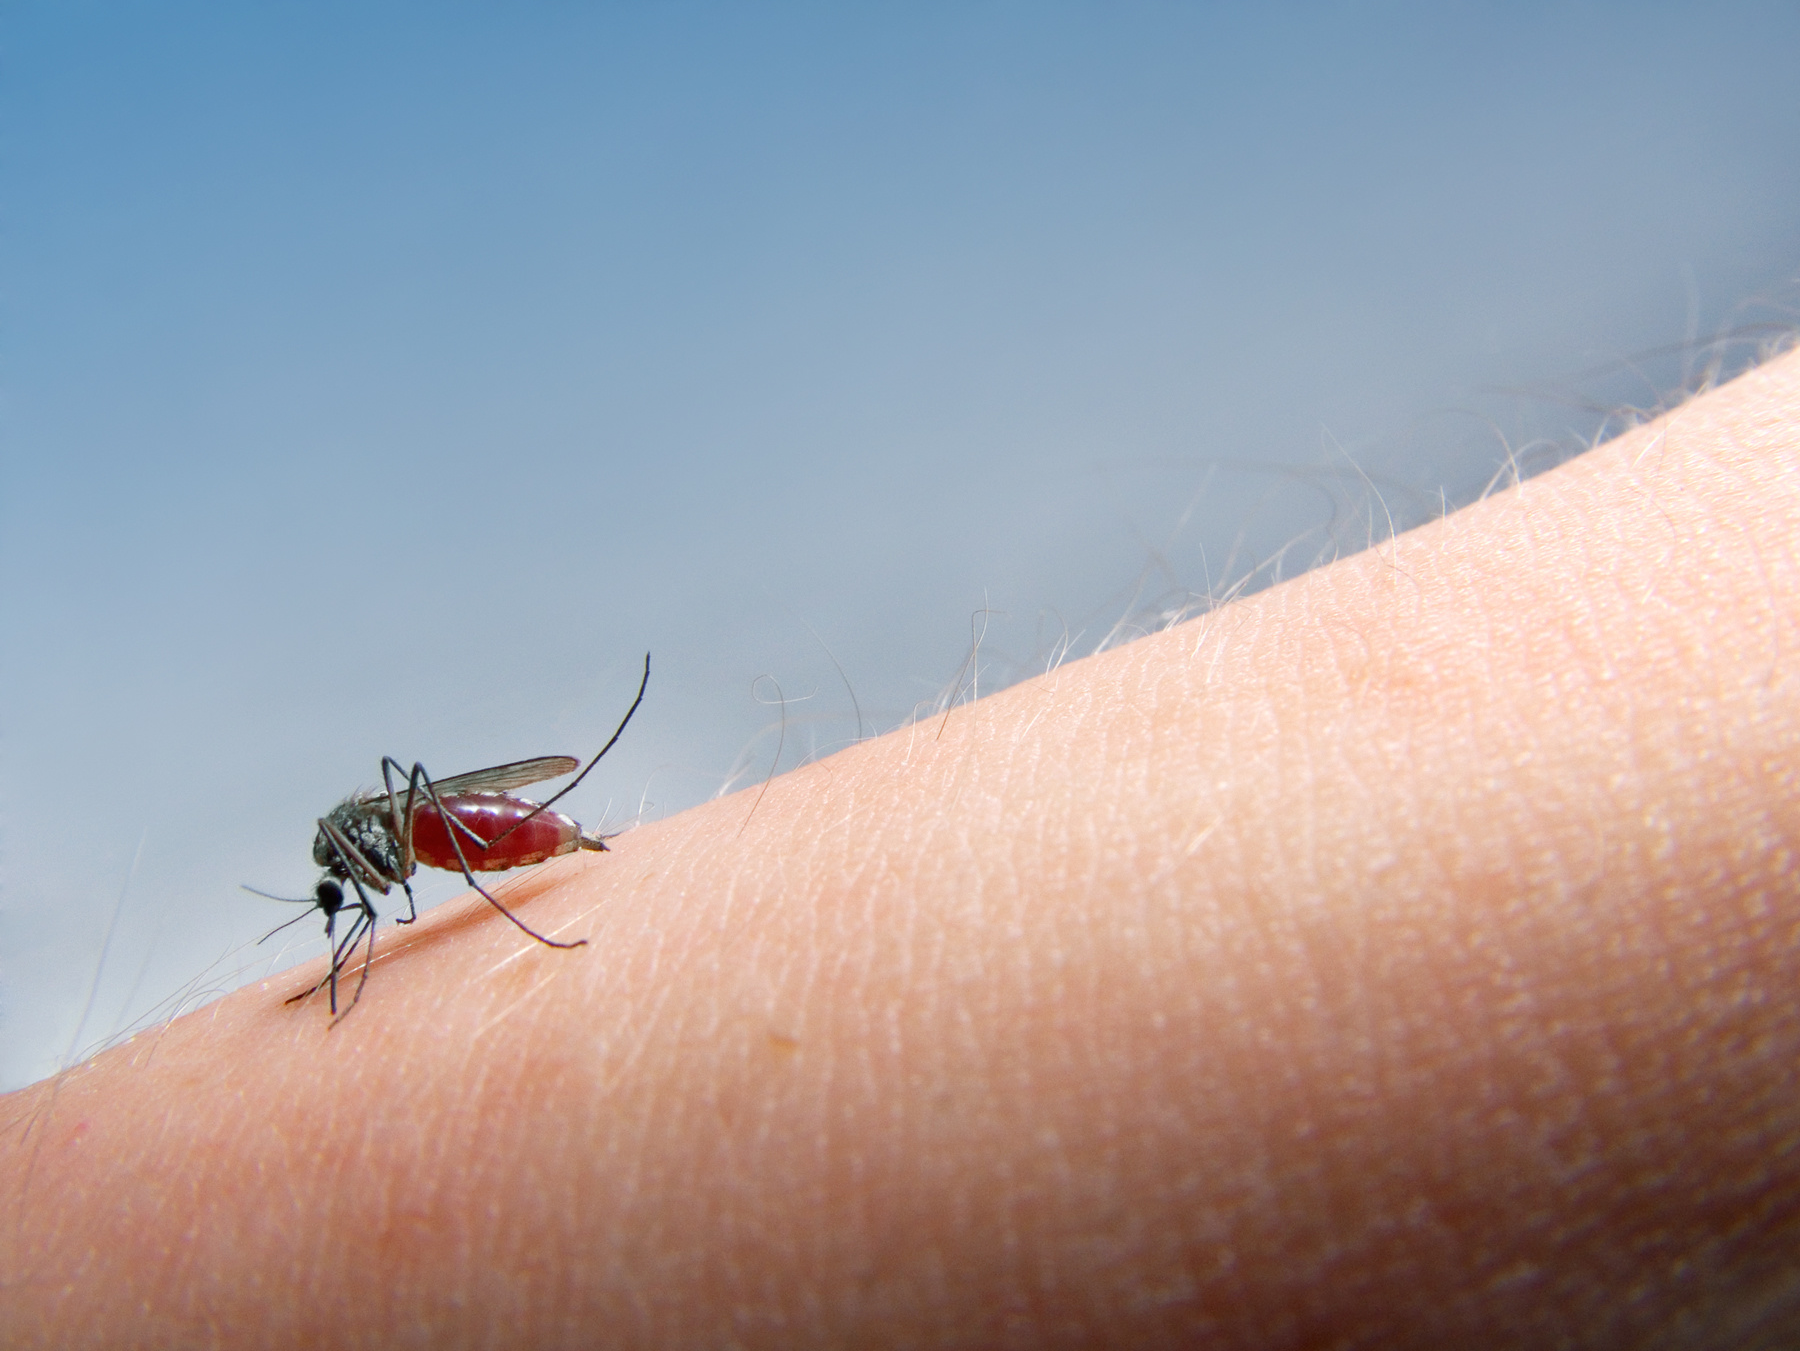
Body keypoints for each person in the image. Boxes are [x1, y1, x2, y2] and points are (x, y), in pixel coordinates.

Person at [3, 346, 1797, 1349]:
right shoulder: (353, 866)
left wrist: (473, 887)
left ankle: (556, 846)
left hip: (470, 822)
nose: (346, 921)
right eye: (346, 914)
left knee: (424, 812)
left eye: (342, 911)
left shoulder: (381, 853)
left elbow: (387, 842)